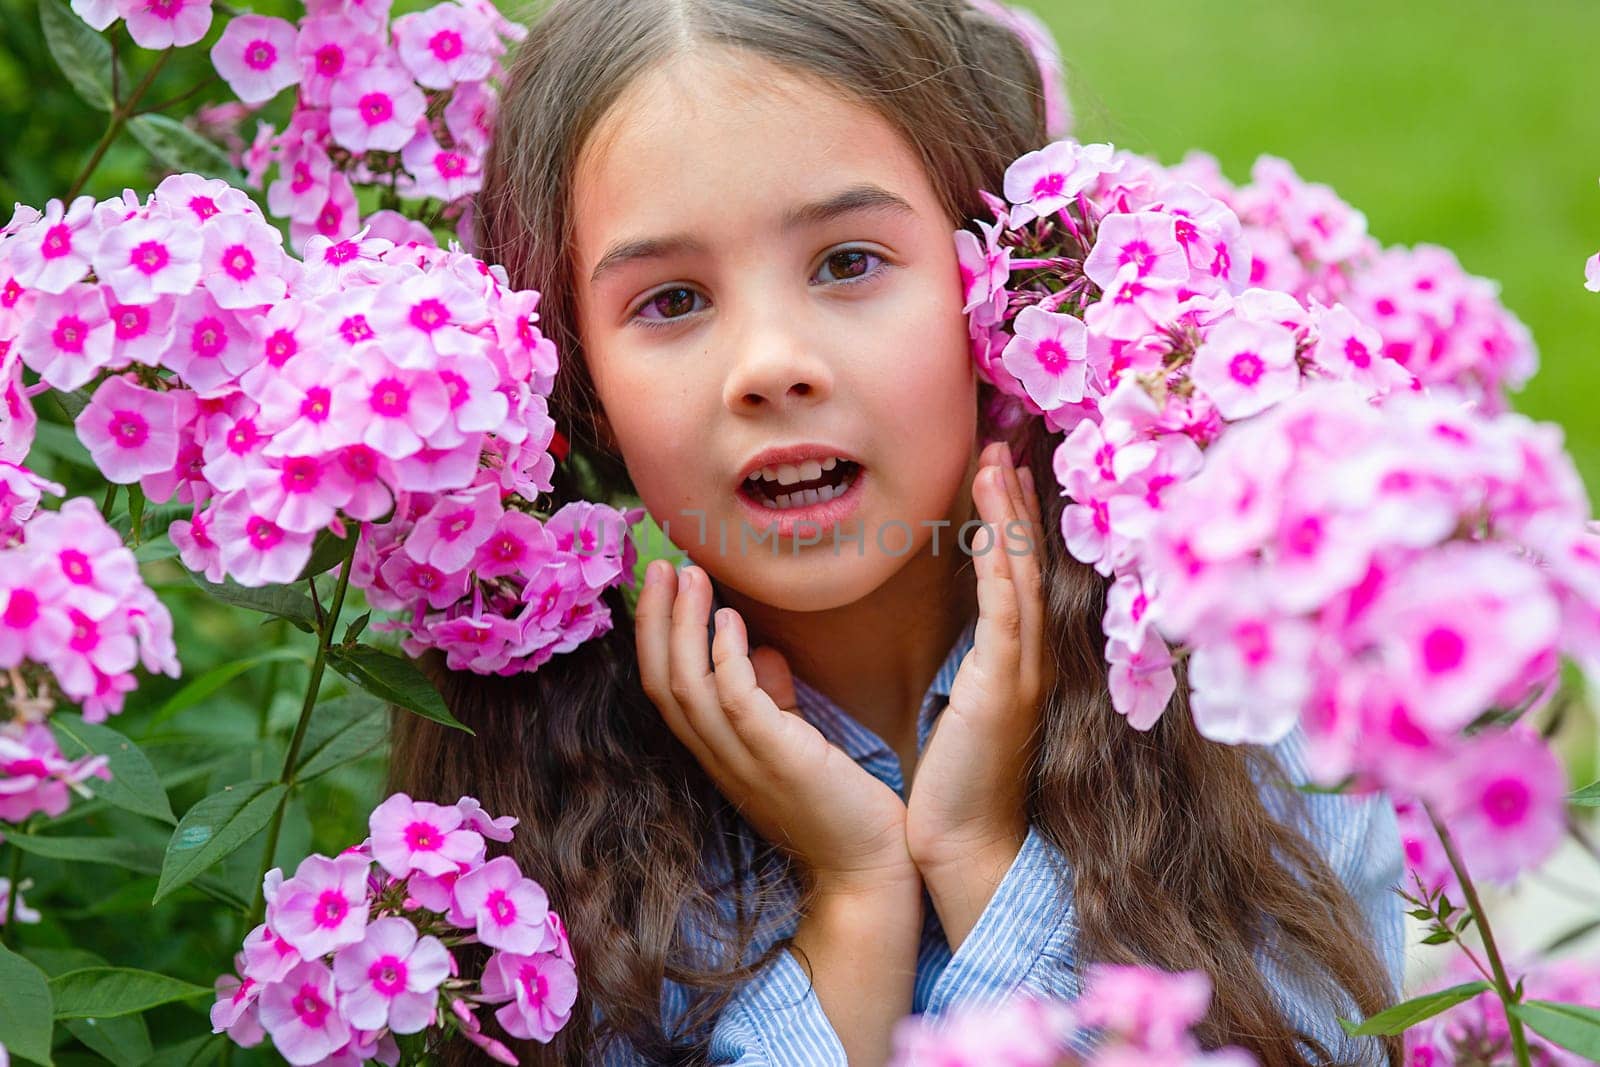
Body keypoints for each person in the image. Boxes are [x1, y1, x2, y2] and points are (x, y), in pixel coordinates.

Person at [389, 1, 1407, 1063]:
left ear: (1006, 292)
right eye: (673, 298)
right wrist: (857, 905)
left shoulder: (1240, 693)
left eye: (847, 261)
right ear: (578, 385)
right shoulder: (545, 826)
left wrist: (978, 860)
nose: (771, 363)